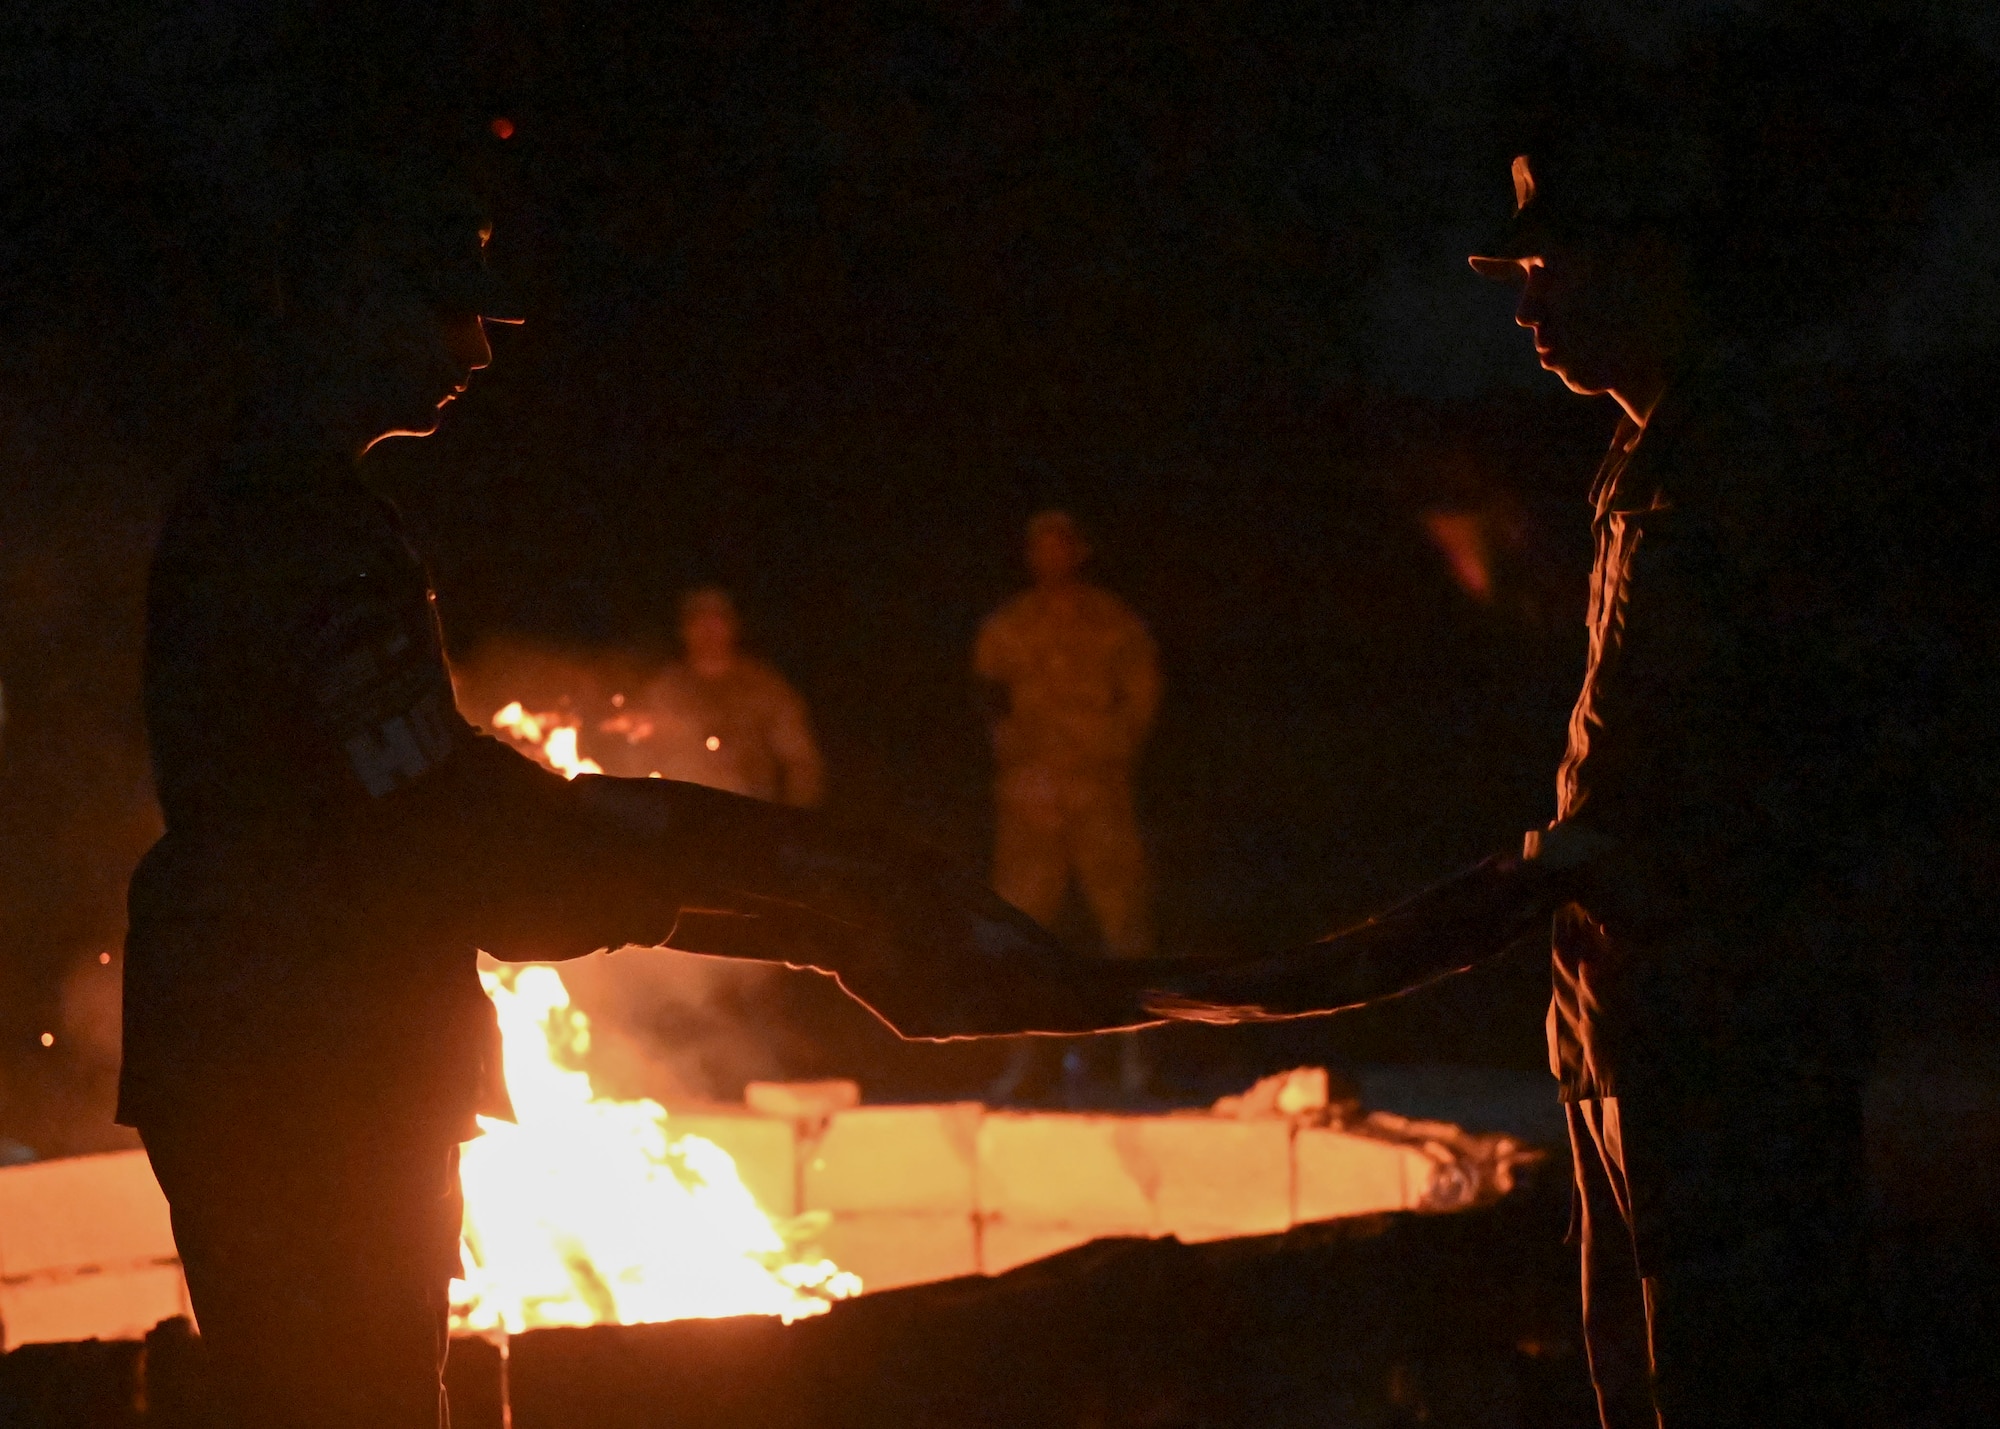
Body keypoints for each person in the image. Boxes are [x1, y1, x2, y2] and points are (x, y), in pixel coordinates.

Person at [120, 148, 1146, 1429]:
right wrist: (778, 891)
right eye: (447, 313)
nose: (477, 354)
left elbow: (417, 804)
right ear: (343, 298)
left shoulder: (272, 505)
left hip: (275, 1037)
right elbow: (435, 832)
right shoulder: (300, 527)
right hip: (315, 1053)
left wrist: (763, 886)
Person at [1150, 128, 1879, 1427]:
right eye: (1519, 274)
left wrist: (1520, 898)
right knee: (1638, 1376)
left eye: (1553, 269)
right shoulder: (1638, 466)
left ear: (1650, 270)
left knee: (1727, 1376)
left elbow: (1763, 768)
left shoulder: (1748, 470)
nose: (1526, 307)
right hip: (1621, 1016)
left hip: (1718, 1031)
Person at [976, 511, 1161, 1095]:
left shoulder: (1114, 623)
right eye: (1040, 548)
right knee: (1021, 928)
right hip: (1031, 798)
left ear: (1079, 552)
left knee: (1127, 927)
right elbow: (988, 693)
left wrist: (1112, 748)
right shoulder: (1008, 624)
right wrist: (1010, 746)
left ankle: (1139, 1058)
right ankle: (1024, 1060)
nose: (1050, 557)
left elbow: (1142, 692)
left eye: (1061, 546)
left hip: (1098, 793)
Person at [601, 587, 824, 806]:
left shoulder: (763, 688)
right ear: (684, 629)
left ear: (733, 626)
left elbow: (801, 763)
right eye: (698, 620)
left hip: (749, 813)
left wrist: (795, 820)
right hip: (681, 814)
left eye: (716, 619)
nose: (708, 629)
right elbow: (637, 753)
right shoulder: (667, 686)